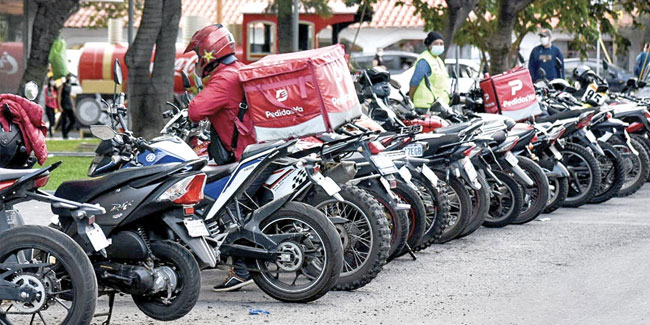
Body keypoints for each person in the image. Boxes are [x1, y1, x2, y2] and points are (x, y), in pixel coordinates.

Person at [185, 24, 256, 292]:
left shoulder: (224, 78)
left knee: (220, 203)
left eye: (199, 55)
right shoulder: (239, 69)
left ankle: (240, 269)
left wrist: (197, 87)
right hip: (251, 149)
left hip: (243, 155)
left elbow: (196, 111)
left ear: (209, 54)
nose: (198, 61)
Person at [409, 31, 450, 111]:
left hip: (439, 105)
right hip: (425, 106)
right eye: (436, 43)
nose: (439, 46)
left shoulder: (438, 60)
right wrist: (411, 98)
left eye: (441, 44)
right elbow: (414, 81)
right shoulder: (424, 60)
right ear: (429, 46)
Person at [58, 73, 76, 139]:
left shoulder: (70, 86)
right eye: (68, 77)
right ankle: (64, 135)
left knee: (73, 120)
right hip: (64, 104)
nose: (69, 78)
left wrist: (73, 106)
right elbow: (59, 96)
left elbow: (70, 96)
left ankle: (66, 132)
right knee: (64, 120)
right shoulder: (62, 85)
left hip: (69, 104)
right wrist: (59, 106)